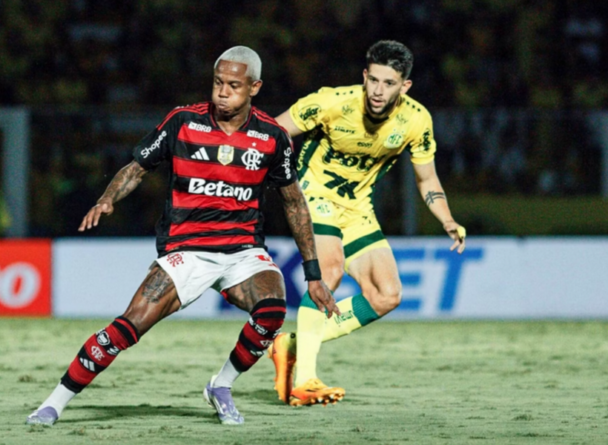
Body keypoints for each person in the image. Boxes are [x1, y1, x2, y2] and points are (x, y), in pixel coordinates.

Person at [26, 46, 338, 426]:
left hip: (243, 250)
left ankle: (221, 385)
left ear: (254, 87)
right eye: (218, 83)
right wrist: (108, 198)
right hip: (186, 249)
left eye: (234, 85)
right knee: (128, 326)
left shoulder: (272, 137)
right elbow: (136, 168)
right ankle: (53, 403)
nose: (223, 92)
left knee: (272, 311)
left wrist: (313, 274)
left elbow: (295, 204)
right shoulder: (183, 121)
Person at [268, 40, 467, 406]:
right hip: (313, 194)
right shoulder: (331, 102)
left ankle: (291, 344)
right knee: (328, 271)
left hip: (358, 207)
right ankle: (306, 379)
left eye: (388, 83)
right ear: (364, 75)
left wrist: (447, 218)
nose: (377, 91)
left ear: (404, 87)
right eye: (372, 80)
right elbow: (270, 134)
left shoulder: (416, 120)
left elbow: (427, 179)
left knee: (387, 294)